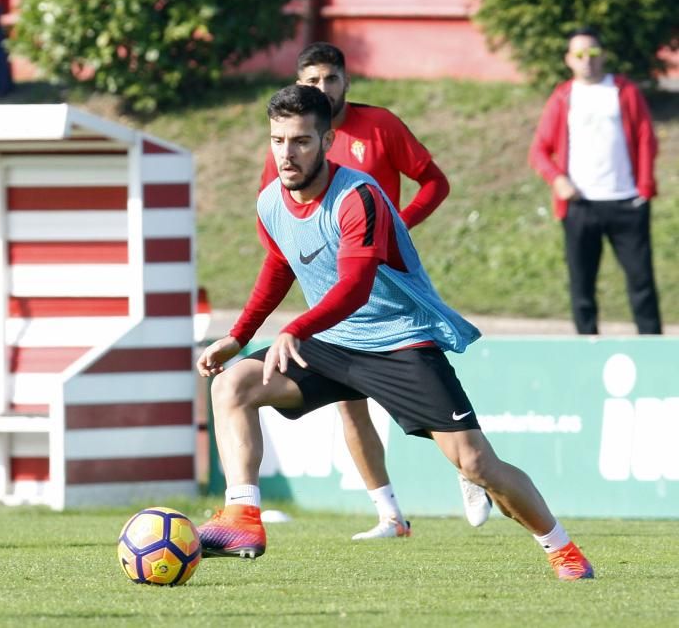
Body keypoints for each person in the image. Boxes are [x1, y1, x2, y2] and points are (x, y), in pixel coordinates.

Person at [196, 84, 594, 580]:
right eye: (277, 140)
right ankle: (243, 518)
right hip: (334, 340)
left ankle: (562, 549)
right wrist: (239, 336)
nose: (286, 153)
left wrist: (295, 327)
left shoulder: (358, 196)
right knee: (232, 385)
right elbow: (280, 265)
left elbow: (356, 286)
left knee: (475, 464)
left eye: (300, 141)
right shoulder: (271, 202)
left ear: (327, 139)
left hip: (398, 340)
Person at [258, 42, 491, 539]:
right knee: (349, 404)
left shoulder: (380, 126)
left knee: (418, 393)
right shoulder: (290, 144)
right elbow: (279, 222)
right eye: (311, 80)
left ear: (346, 82)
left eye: (330, 79)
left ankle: (467, 466)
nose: (321, 88)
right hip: (333, 292)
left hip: (383, 288)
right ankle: (389, 514)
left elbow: (434, 181)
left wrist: (395, 228)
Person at [529, 27, 660, 335]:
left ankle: (655, 352)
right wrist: (557, 179)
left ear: (603, 56)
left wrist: (644, 189)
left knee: (642, 284)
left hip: (627, 202)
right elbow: (539, 150)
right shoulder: (563, 97)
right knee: (582, 286)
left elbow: (645, 138)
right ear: (568, 60)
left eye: (592, 54)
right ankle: (587, 351)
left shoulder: (624, 91)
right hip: (580, 206)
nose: (587, 61)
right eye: (579, 55)